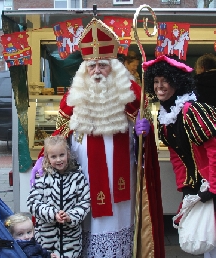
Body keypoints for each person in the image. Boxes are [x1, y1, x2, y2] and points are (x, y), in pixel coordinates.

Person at [31, 17, 165, 257]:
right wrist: (43, 161)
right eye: (91, 66)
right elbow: (59, 134)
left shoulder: (132, 93)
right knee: (84, 223)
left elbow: (147, 141)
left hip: (122, 181)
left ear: (113, 66)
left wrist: (144, 130)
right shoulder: (73, 95)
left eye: (102, 65)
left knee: (120, 221)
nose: (96, 71)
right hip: (81, 181)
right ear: (84, 69)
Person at [143, 55, 216, 258]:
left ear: (177, 81)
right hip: (198, 185)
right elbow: (177, 157)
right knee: (207, 237)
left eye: (165, 80)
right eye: (156, 81)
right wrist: (185, 187)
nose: (160, 86)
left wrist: (213, 187)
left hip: (212, 183)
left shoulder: (192, 110)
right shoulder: (165, 117)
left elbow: (214, 149)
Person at [27, 135, 90, 258]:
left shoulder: (77, 176)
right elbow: (33, 203)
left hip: (71, 242)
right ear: (47, 157)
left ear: (68, 154)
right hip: (46, 242)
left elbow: (85, 202)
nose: (58, 160)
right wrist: (53, 214)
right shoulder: (42, 177)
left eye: (62, 155)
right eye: (53, 156)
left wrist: (70, 216)